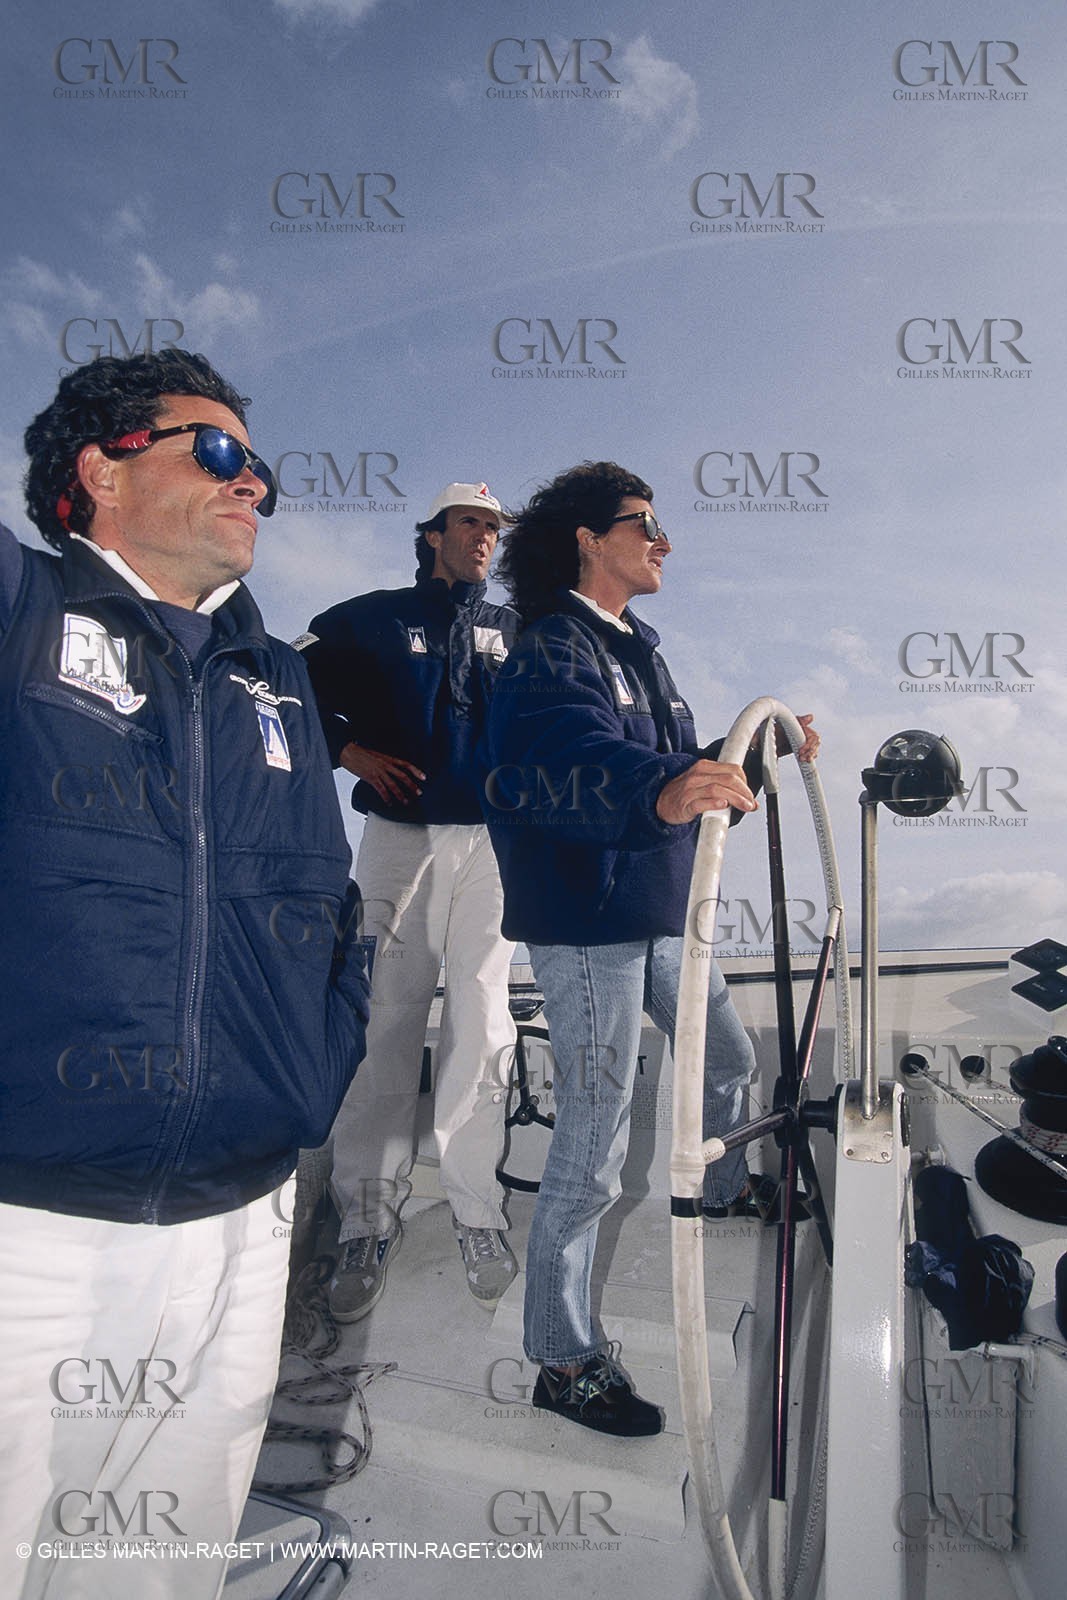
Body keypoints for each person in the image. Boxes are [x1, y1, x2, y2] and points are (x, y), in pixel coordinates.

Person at [0, 350, 369, 1599]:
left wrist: (310, 1075)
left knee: (159, 1565)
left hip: (242, 1217)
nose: (252, 481)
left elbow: (330, 913)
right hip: (28, 1220)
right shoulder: (19, 610)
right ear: (101, 472)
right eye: (214, 453)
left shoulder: (281, 682)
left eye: (257, 464)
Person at [484, 461, 820, 1437]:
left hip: (653, 902)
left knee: (727, 1055)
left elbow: (669, 766)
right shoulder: (550, 649)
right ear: (588, 540)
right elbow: (563, 757)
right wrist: (659, 790)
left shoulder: (637, 651)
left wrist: (746, 755)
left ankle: (720, 1188)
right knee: (594, 1141)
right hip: (587, 919)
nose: (663, 539)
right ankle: (560, 1357)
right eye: (643, 522)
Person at [298, 483, 520, 1319]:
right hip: (399, 838)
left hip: (493, 846)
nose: (484, 537)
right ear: (432, 534)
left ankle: (477, 1208)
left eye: (493, 528)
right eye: (470, 523)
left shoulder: (518, 632)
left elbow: (563, 725)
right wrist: (347, 749)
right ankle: (365, 1216)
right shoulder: (371, 618)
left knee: (484, 1019)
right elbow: (283, 683)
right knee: (383, 1019)